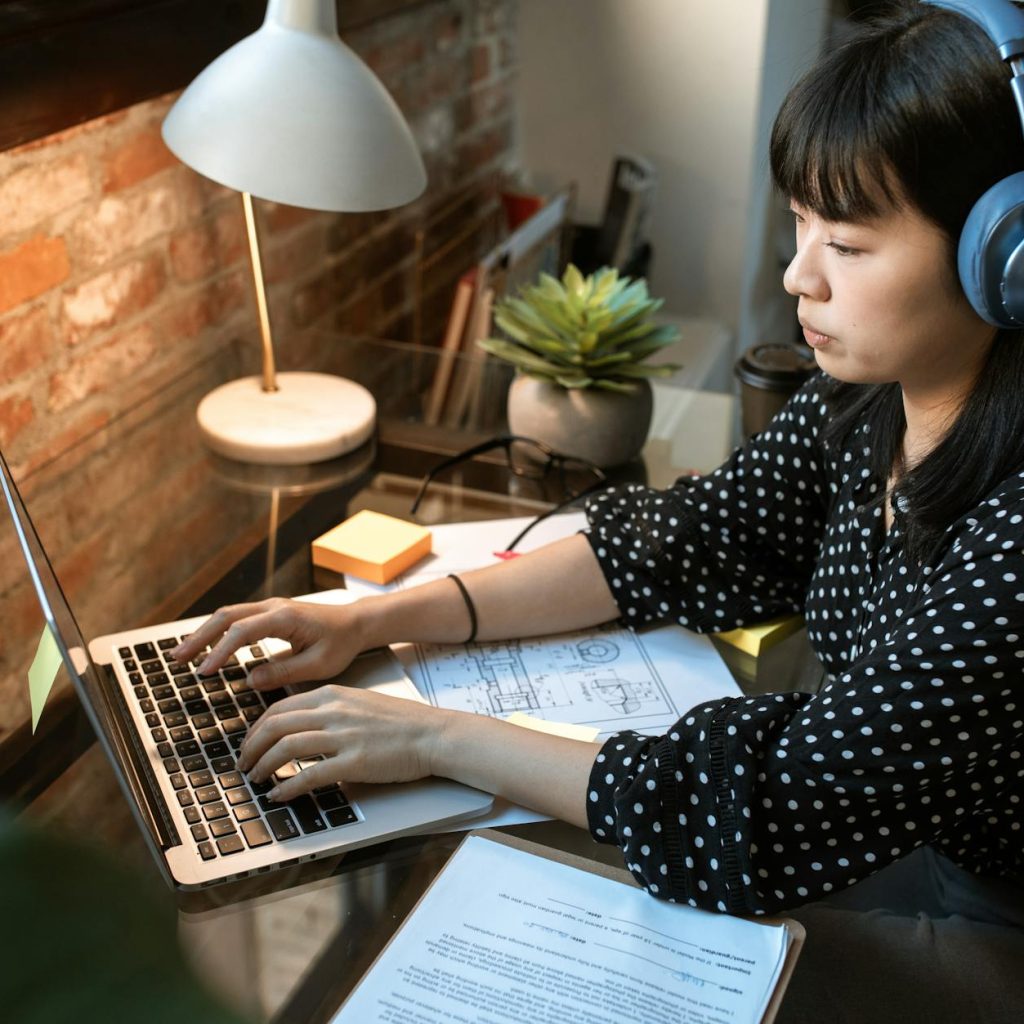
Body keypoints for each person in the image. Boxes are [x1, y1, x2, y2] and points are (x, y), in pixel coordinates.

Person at [174, 2, 1024, 1019]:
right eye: (799, 222)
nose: (795, 276)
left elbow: (771, 808)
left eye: (845, 243)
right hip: (888, 829)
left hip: (992, 915)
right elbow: (678, 545)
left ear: (999, 257)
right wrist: (369, 618)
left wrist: (433, 738)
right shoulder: (863, 402)